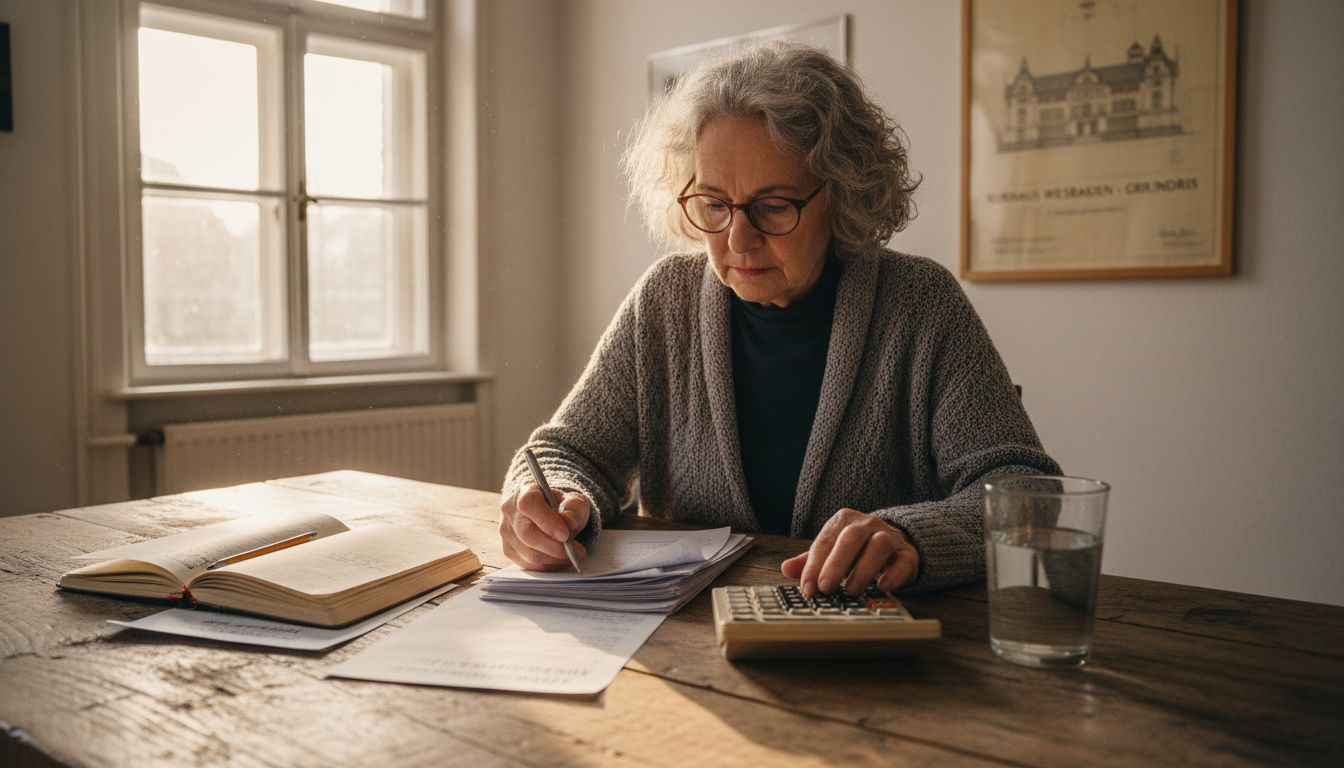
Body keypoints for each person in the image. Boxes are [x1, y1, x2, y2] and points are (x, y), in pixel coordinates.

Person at [497, 42, 1059, 596]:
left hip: (870, 643)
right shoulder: (665, 300)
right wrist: (549, 503)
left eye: (772, 206)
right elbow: (566, 452)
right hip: (689, 643)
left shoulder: (920, 303)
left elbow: (1025, 489)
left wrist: (911, 535)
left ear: (841, 196)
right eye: (714, 204)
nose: (738, 239)